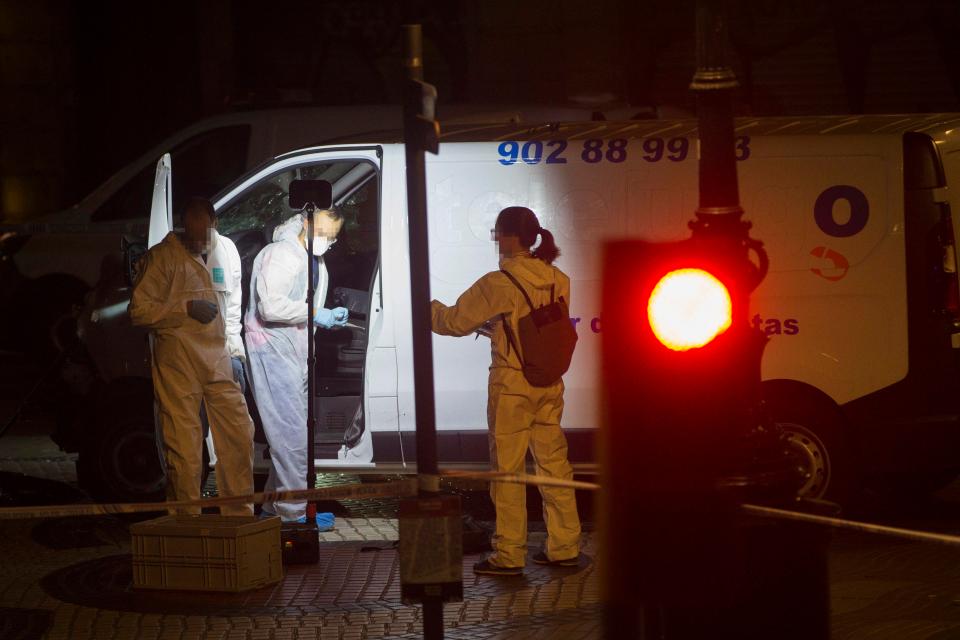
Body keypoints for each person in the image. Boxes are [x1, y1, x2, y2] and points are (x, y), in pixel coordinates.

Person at [431, 206, 581, 576]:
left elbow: (453, 321)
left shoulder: (498, 282)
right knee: (554, 466)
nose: (495, 241)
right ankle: (564, 547)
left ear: (511, 237)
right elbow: (536, 327)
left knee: (507, 472)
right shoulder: (558, 278)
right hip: (548, 383)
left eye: (497, 233)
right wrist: (499, 328)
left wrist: (425, 307)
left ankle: (509, 554)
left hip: (512, 386)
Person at [129, 198, 255, 516]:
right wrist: (184, 309)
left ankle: (238, 516)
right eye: (195, 233)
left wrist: (234, 349)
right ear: (184, 225)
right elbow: (139, 311)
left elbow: (233, 305)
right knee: (183, 445)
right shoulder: (161, 258)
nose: (200, 241)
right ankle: (186, 521)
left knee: (239, 433)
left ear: (215, 223)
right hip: (178, 361)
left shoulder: (224, 251)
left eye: (205, 233)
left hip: (218, 357)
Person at [244, 209, 348, 523]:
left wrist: (321, 314)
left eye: (332, 236)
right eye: (323, 232)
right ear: (305, 223)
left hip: (294, 352)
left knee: (291, 435)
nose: (326, 241)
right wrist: (317, 313)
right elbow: (271, 306)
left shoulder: (311, 258)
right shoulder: (280, 254)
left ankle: (272, 509)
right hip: (272, 350)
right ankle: (292, 517)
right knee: (290, 438)